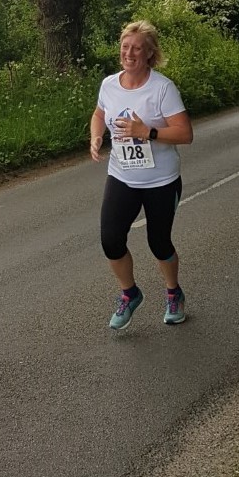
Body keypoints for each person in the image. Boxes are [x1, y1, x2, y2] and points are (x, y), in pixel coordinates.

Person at [90, 20, 194, 330]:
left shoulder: (162, 88)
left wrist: (147, 131)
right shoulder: (109, 84)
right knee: (110, 240)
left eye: (137, 48)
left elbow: (185, 133)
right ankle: (130, 293)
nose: (129, 53)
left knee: (159, 243)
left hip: (161, 181)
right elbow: (99, 114)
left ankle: (173, 293)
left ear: (149, 53)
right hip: (121, 176)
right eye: (125, 47)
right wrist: (96, 135)